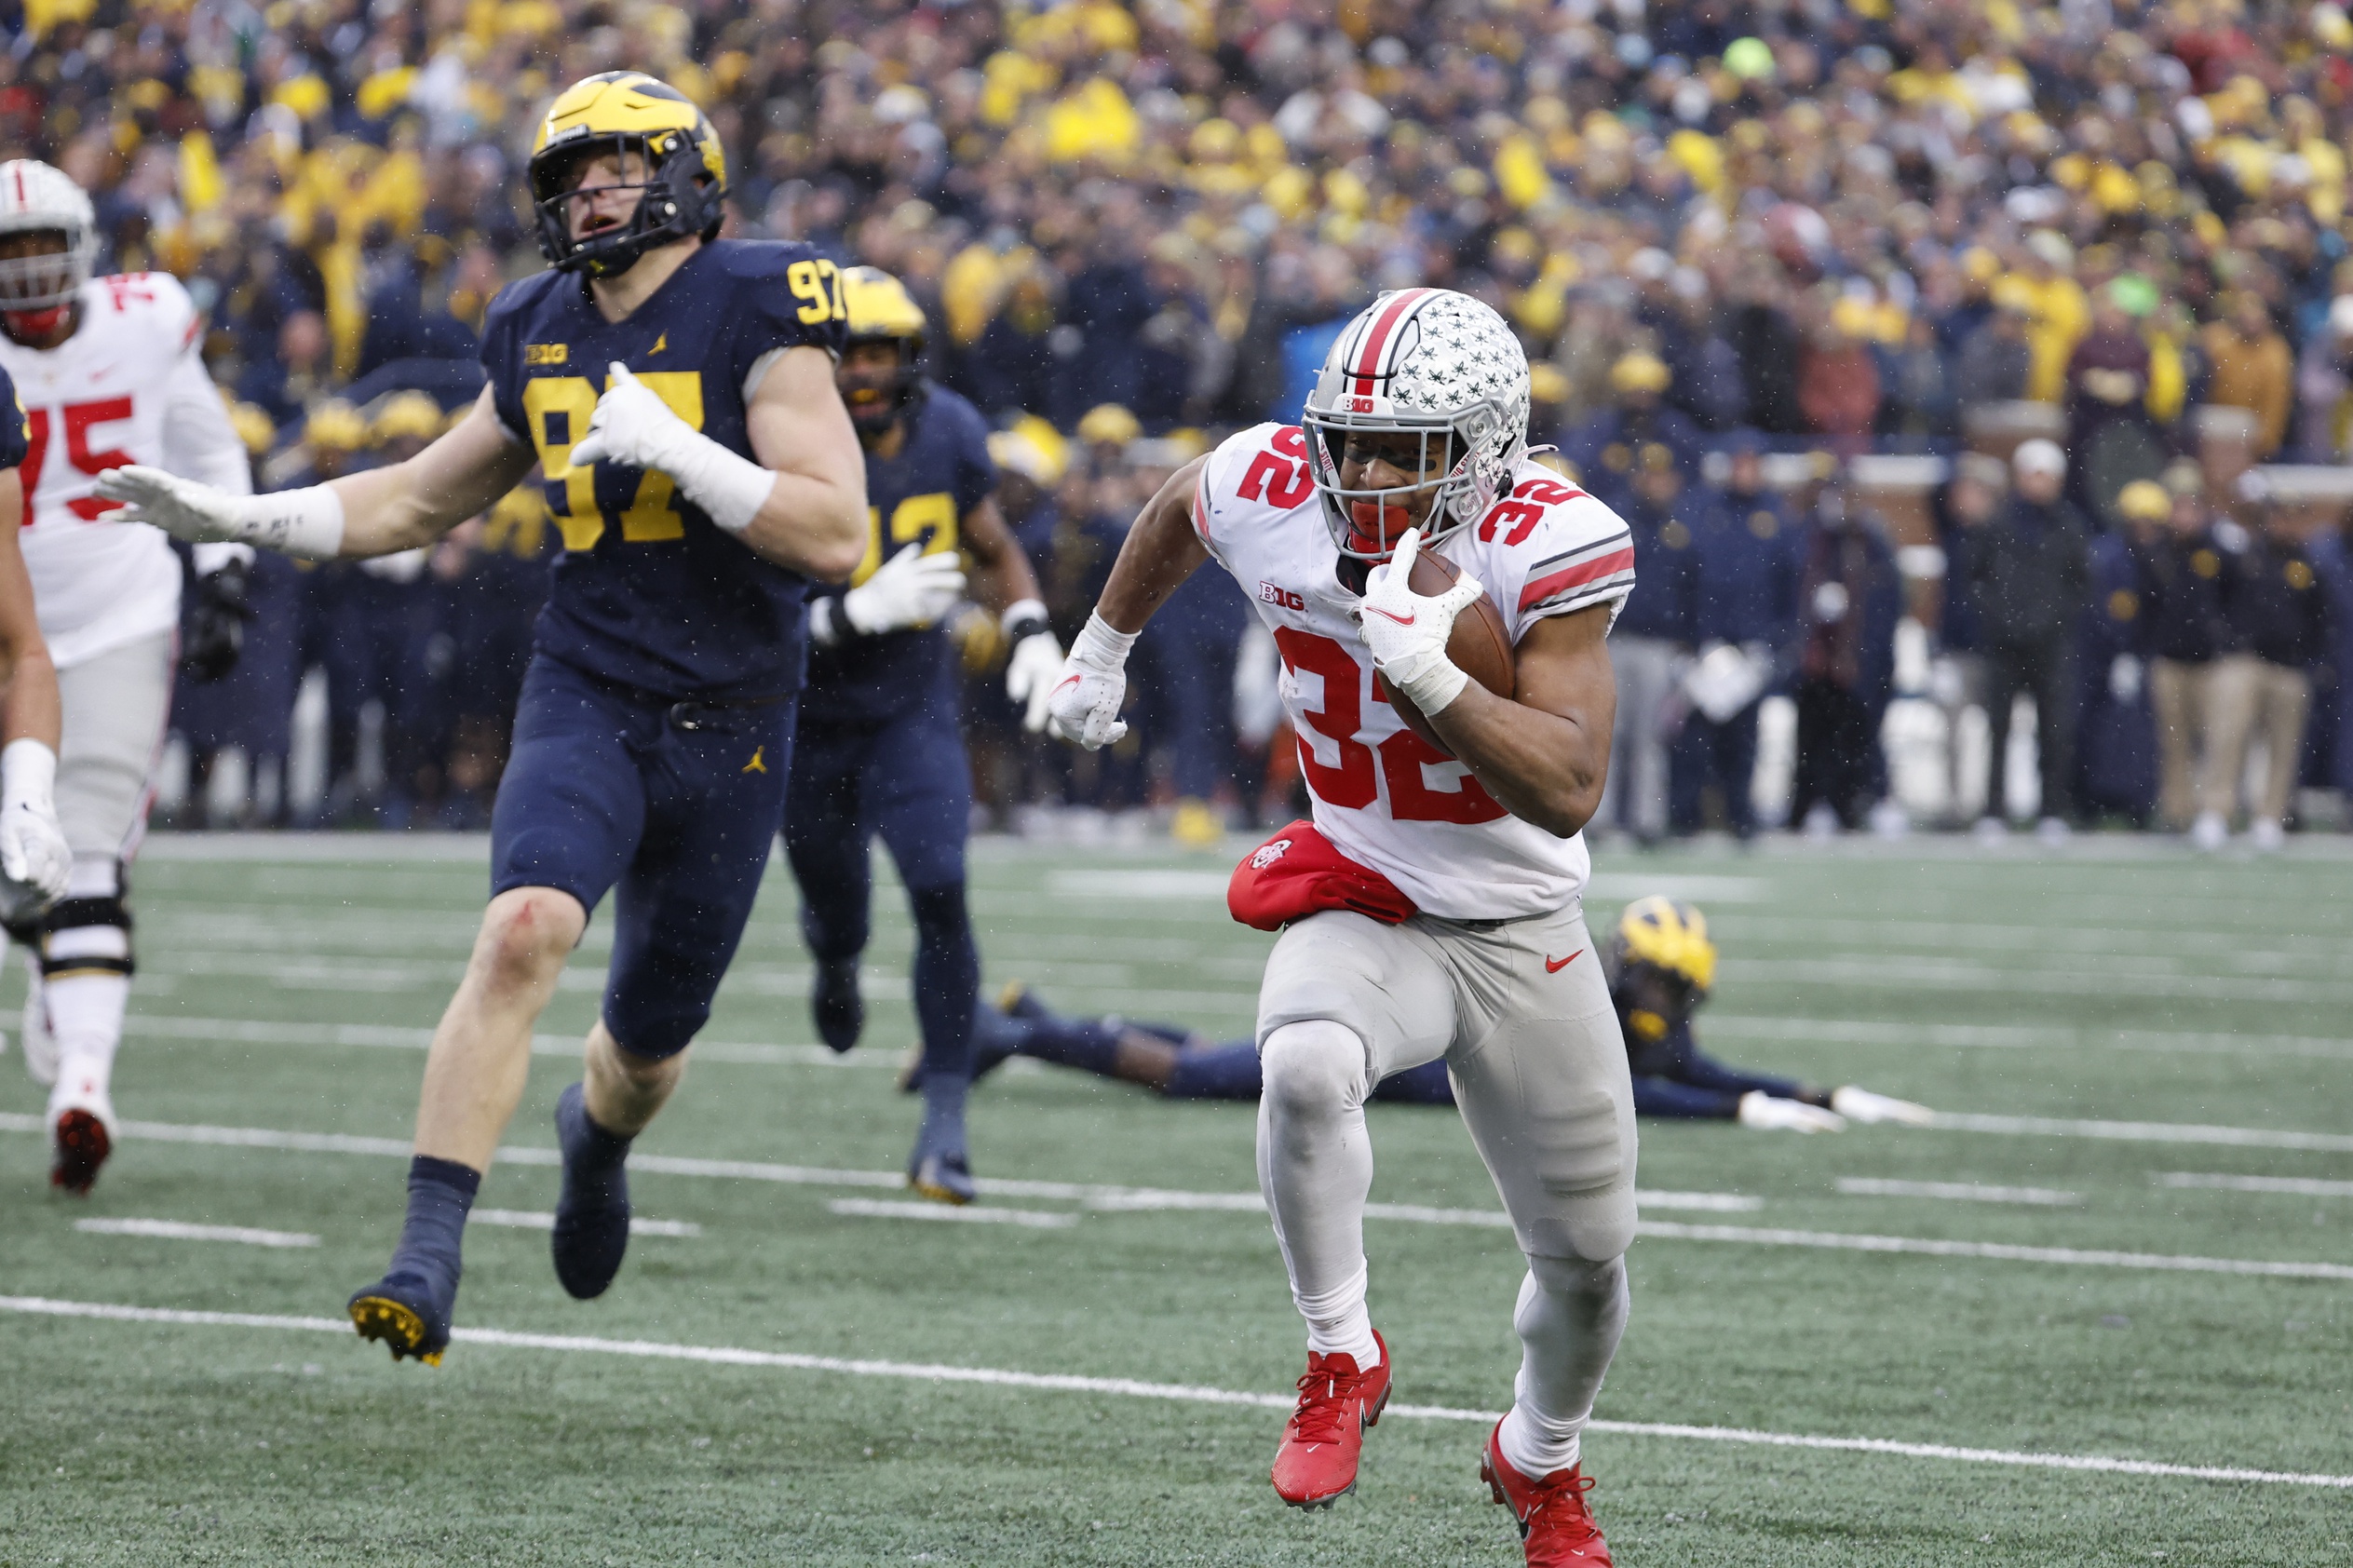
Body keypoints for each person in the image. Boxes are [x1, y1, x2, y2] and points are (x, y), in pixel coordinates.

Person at [93, 72, 867, 1363]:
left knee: (645, 1052)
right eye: (570, 178)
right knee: (521, 931)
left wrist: (688, 453)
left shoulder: (758, 303)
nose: (588, 196)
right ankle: (426, 1252)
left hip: (734, 718)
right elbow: (415, 497)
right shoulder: (537, 323)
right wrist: (241, 520)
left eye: (614, 169)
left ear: (685, 176)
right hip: (589, 686)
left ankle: (595, 1142)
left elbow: (836, 531)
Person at [1046, 287, 1638, 1561]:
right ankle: (1338, 1351)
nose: (1361, 474)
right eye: (1348, 443)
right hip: (1368, 891)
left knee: (1588, 1263)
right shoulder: (1274, 483)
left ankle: (1538, 1456)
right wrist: (1101, 645)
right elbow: (1180, 506)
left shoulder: (1549, 539)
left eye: (1400, 449)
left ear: (1482, 447)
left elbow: (1566, 783)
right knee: (1304, 1063)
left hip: (1518, 923)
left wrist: (1428, 673)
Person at [0, 157, 255, 1193]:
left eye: (42, 249)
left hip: (116, 613)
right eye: (9, 253)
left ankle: (85, 1089)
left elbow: (210, 450)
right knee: (25, 870)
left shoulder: (145, 323)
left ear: (84, 250)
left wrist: (226, 569)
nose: (28, 273)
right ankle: (39, 943)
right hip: (9, 615)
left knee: (93, 847)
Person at [782, 266, 1062, 1202]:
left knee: (940, 885)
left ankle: (944, 1125)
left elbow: (992, 544)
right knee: (837, 906)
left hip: (910, 705)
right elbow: (731, 613)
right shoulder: (774, 436)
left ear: (910, 357)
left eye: (878, 353)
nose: (862, 373)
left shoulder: (946, 430)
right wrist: (842, 615)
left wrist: (1030, 629)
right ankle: (834, 957)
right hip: (805, 712)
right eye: (846, 353)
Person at [943, 895, 1934, 1134]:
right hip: (1381, 1063)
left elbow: (1692, 1068)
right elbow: (1648, 1095)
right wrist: (1738, 1112)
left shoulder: (1624, 1008)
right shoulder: (1586, 1007)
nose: (1663, 1007)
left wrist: (1817, 1092)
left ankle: (1035, 1015)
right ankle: (1017, 1033)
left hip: (1395, 1062)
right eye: (1660, 987)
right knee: (1190, 1075)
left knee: (1211, 1054)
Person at [1960, 439, 2089, 841]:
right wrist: (1999, 618)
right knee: (1997, 728)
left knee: (2054, 730)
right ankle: (1994, 810)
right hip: (2004, 645)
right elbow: (1976, 577)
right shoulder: (1998, 524)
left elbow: (2081, 585)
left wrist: (2053, 621)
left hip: (2051, 646)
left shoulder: (2070, 525)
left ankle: (2052, 809)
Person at [1674, 430, 1799, 838]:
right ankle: (1688, 815)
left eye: (1752, 464)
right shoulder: (1704, 510)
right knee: (1696, 735)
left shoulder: (1776, 516)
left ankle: (1740, 816)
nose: (1746, 471)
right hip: (1708, 644)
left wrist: (1777, 638)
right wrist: (1692, 635)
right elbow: (1688, 577)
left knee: (1744, 737)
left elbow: (1789, 584)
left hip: (1751, 645)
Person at [2198, 474, 2333, 850]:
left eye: (2292, 515)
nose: (2285, 523)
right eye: (2279, 515)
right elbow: (2216, 600)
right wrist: (2227, 641)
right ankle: (2216, 810)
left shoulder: (2309, 566)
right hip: (2245, 660)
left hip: (2289, 667)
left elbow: (2322, 618)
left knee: (2283, 746)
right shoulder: (2244, 556)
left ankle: (2270, 816)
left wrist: (2313, 659)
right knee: (2228, 736)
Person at [1599, 442, 1697, 844]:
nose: (1657, 483)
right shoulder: (1617, 522)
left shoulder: (1682, 529)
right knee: (1608, 732)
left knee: (1651, 736)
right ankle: (1598, 819)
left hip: (1659, 645)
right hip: (1615, 640)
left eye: (1663, 476)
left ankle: (1647, 821)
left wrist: (1688, 644)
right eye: (1650, 475)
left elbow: (1693, 593)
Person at [1789, 478, 1899, 833]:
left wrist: (1863, 652)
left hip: (1857, 662)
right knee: (1813, 738)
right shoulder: (1810, 540)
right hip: (1817, 661)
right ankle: (1815, 803)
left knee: (1859, 737)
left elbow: (1886, 603)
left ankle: (1859, 801)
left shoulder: (1870, 542)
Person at [2145, 464, 2232, 837]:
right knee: (2173, 741)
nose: (2184, 514)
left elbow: (2235, 598)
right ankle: (2177, 812)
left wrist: (2225, 639)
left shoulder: (2220, 548)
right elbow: (2146, 606)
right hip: (2169, 659)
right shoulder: (2156, 551)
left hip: (2212, 661)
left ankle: (2214, 810)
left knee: (2217, 740)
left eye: (2190, 505)